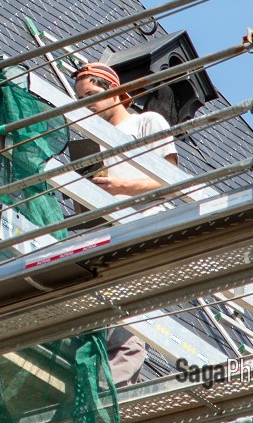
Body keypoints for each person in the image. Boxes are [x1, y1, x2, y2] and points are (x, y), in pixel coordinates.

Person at [72, 62, 180, 387]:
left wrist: (120, 186)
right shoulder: (91, 139)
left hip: (142, 235)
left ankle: (105, 394)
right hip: (105, 240)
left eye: (91, 95)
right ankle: (97, 391)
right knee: (99, 326)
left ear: (116, 93)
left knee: (128, 327)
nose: (86, 104)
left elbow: (173, 181)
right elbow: (83, 208)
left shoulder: (146, 122)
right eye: (80, 99)